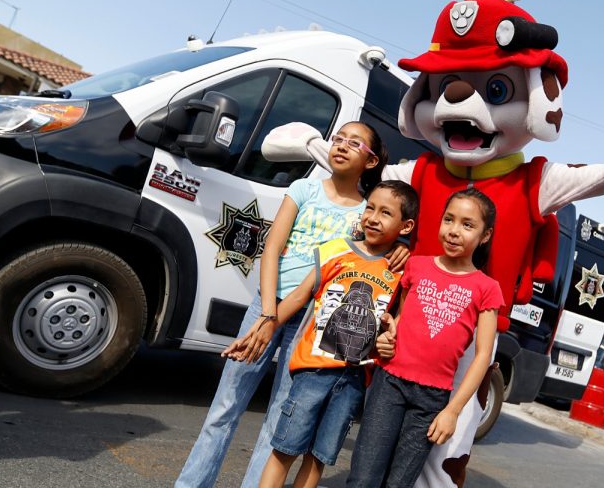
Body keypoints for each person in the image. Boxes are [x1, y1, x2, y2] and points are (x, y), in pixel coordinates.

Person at [176, 121, 402, 488]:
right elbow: (272, 249)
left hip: (312, 324)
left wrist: (403, 249)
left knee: (277, 420)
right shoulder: (304, 189)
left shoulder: (367, 213)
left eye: (354, 143)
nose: (341, 146)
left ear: (371, 160)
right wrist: (267, 313)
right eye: (338, 139)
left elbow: (381, 249)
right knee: (223, 409)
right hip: (266, 306)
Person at [225, 180, 419, 488]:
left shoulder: (403, 271)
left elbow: (400, 321)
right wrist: (262, 329)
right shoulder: (334, 251)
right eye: (370, 208)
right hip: (311, 372)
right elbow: (299, 297)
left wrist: (389, 336)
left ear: (406, 226)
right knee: (284, 450)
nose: (372, 217)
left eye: (385, 213)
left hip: (354, 380)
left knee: (318, 459)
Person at [347, 188, 503, 488]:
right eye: (449, 220)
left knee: (399, 483)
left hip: (432, 400)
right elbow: (402, 320)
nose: (454, 231)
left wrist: (452, 412)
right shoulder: (416, 266)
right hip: (389, 384)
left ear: (485, 235)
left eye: (467, 225)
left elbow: (483, 356)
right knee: (363, 478)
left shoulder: (486, 289)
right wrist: (386, 338)